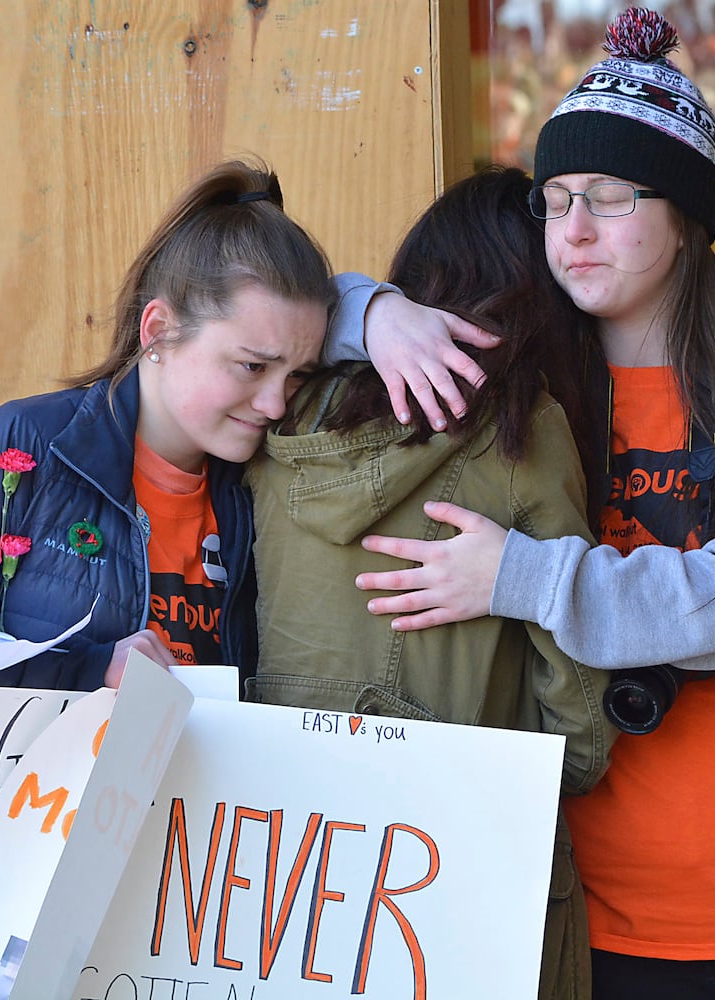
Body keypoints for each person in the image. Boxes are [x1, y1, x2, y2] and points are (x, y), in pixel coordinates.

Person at [336, 9, 715, 999]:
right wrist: (374, 312)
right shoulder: (527, 381)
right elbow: (266, 334)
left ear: (690, 219)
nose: (572, 229)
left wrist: (521, 578)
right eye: (555, 200)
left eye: (607, 198)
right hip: (597, 917)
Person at [245, 165, 613, 1000]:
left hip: (289, 867)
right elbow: (580, 727)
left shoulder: (283, 405)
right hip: (454, 877)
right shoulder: (525, 428)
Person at [0, 159, 335, 727]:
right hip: (32, 812)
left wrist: (381, 310)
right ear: (158, 331)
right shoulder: (6, 457)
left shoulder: (273, 484)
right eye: (252, 366)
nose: (276, 404)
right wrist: (84, 678)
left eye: (298, 376)